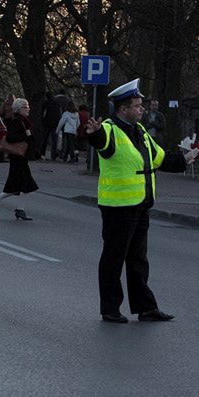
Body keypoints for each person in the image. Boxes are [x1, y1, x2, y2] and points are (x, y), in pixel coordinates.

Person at [85, 78, 198, 323]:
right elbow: (101, 142)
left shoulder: (141, 131)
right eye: (137, 105)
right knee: (113, 260)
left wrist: (184, 159)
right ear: (123, 109)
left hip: (141, 205)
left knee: (138, 260)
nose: (142, 109)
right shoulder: (109, 130)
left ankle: (145, 308)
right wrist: (93, 135)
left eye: (141, 105)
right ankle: (110, 309)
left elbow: (158, 158)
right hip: (118, 208)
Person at [0, 98, 39, 220]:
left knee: (18, 185)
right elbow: (11, 138)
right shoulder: (16, 121)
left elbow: (30, 139)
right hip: (17, 157)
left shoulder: (24, 121)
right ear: (19, 109)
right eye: (26, 107)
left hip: (21, 157)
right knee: (25, 184)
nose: (28, 109)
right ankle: (18, 209)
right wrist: (26, 135)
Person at [40, 91, 62, 161]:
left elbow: (42, 114)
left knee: (44, 139)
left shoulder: (45, 103)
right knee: (54, 140)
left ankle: (42, 154)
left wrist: (42, 121)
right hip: (55, 124)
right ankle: (53, 156)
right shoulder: (57, 103)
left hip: (47, 123)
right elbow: (59, 114)